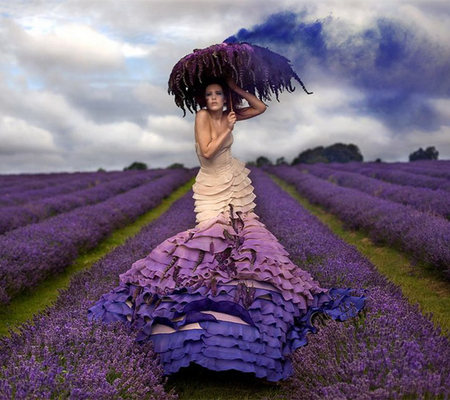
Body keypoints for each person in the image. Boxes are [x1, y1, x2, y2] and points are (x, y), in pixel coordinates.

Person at [88, 78, 366, 382]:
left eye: (218, 93)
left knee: (248, 246)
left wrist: (236, 89)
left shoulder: (230, 110)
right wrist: (228, 129)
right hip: (212, 189)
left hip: (235, 186)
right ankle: (200, 326)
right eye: (209, 94)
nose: (214, 98)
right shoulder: (203, 116)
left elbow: (260, 107)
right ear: (203, 99)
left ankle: (244, 322)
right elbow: (206, 153)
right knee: (211, 246)